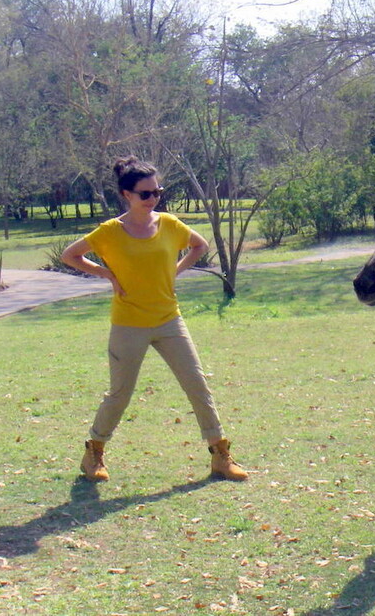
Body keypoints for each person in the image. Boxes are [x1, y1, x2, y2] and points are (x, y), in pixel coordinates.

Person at [61, 157, 248, 483]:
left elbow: (199, 245)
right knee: (120, 393)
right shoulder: (110, 232)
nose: (153, 198)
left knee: (197, 385)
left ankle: (220, 455)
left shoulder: (170, 224)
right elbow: (70, 255)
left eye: (157, 192)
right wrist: (105, 273)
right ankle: (94, 453)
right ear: (127, 195)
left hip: (168, 320)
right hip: (128, 324)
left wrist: (174, 271)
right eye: (145, 193)